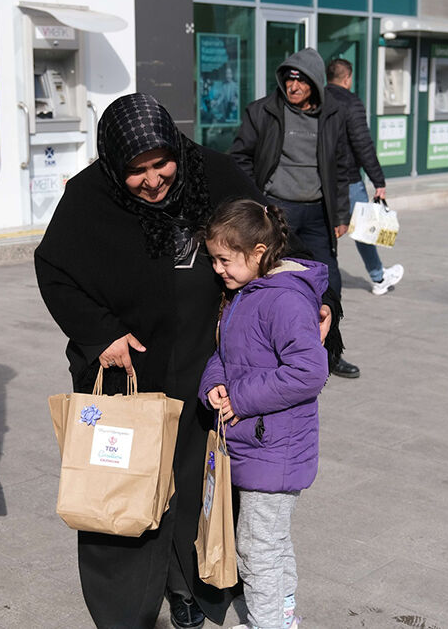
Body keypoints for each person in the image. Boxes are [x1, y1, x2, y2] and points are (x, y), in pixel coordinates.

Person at [34, 93, 336, 629]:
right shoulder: (87, 198)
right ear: (112, 164)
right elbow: (55, 271)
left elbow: (268, 239)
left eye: (161, 163)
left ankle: (191, 590)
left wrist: (323, 301)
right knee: (124, 494)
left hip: (207, 367)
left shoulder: (213, 173)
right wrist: (100, 333)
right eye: (137, 170)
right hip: (129, 377)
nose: (153, 180)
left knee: (199, 489)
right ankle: (124, 613)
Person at [198, 199, 329, 629]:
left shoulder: (283, 300)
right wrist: (214, 384)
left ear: (258, 253)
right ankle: (282, 618)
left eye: (224, 259)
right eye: (213, 258)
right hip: (258, 443)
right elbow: (225, 351)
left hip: (277, 447)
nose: (218, 269)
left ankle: (268, 624)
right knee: (271, 542)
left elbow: (309, 372)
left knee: (257, 547)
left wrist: (241, 398)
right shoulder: (245, 293)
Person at [230, 47, 360, 380]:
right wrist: (257, 201)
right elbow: (240, 157)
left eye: (300, 80)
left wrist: (341, 214)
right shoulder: (263, 112)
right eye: (289, 79)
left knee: (329, 281)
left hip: (319, 212)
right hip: (277, 211)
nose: (293, 86)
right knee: (273, 282)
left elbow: (343, 166)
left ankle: (330, 352)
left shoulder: (333, 115)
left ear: (315, 82)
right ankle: (269, 352)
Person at [325, 58, 404, 295]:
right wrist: (378, 181)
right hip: (348, 179)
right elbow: (362, 144)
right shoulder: (350, 103)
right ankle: (379, 278)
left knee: (325, 231)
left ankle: (317, 277)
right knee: (364, 229)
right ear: (347, 78)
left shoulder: (318, 100)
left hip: (321, 178)